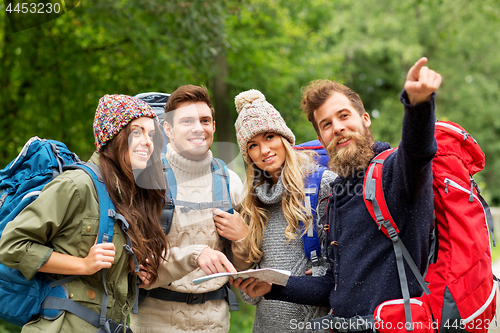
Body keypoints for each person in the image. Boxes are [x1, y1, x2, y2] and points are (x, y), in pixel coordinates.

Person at [232, 57, 442, 332]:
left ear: (365, 119)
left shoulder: (394, 175)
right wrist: (272, 287)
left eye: (344, 116)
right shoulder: (337, 196)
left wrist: (418, 105)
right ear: (321, 138)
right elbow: (334, 287)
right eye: (327, 124)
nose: (338, 127)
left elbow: (418, 153)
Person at [0, 94, 170, 332]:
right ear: (113, 136)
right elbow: (11, 245)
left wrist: (135, 269)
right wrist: (83, 264)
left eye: (151, 134)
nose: (147, 141)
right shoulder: (77, 184)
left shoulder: (127, 196)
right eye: (137, 132)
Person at [130, 85, 251, 333]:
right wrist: (195, 254)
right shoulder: (145, 182)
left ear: (214, 127)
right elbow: (138, 266)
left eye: (205, 120)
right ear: (168, 129)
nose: (198, 128)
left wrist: (242, 238)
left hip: (216, 323)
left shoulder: (231, 181)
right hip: (155, 322)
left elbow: (242, 267)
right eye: (187, 121)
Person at [228, 89, 337, 332]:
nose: (264, 150)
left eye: (269, 137)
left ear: (285, 139)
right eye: (253, 145)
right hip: (267, 326)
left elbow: (346, 259)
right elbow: (252, 296)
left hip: (316, 324)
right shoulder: (251, 204)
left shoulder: (323, 184)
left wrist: (321, 271)